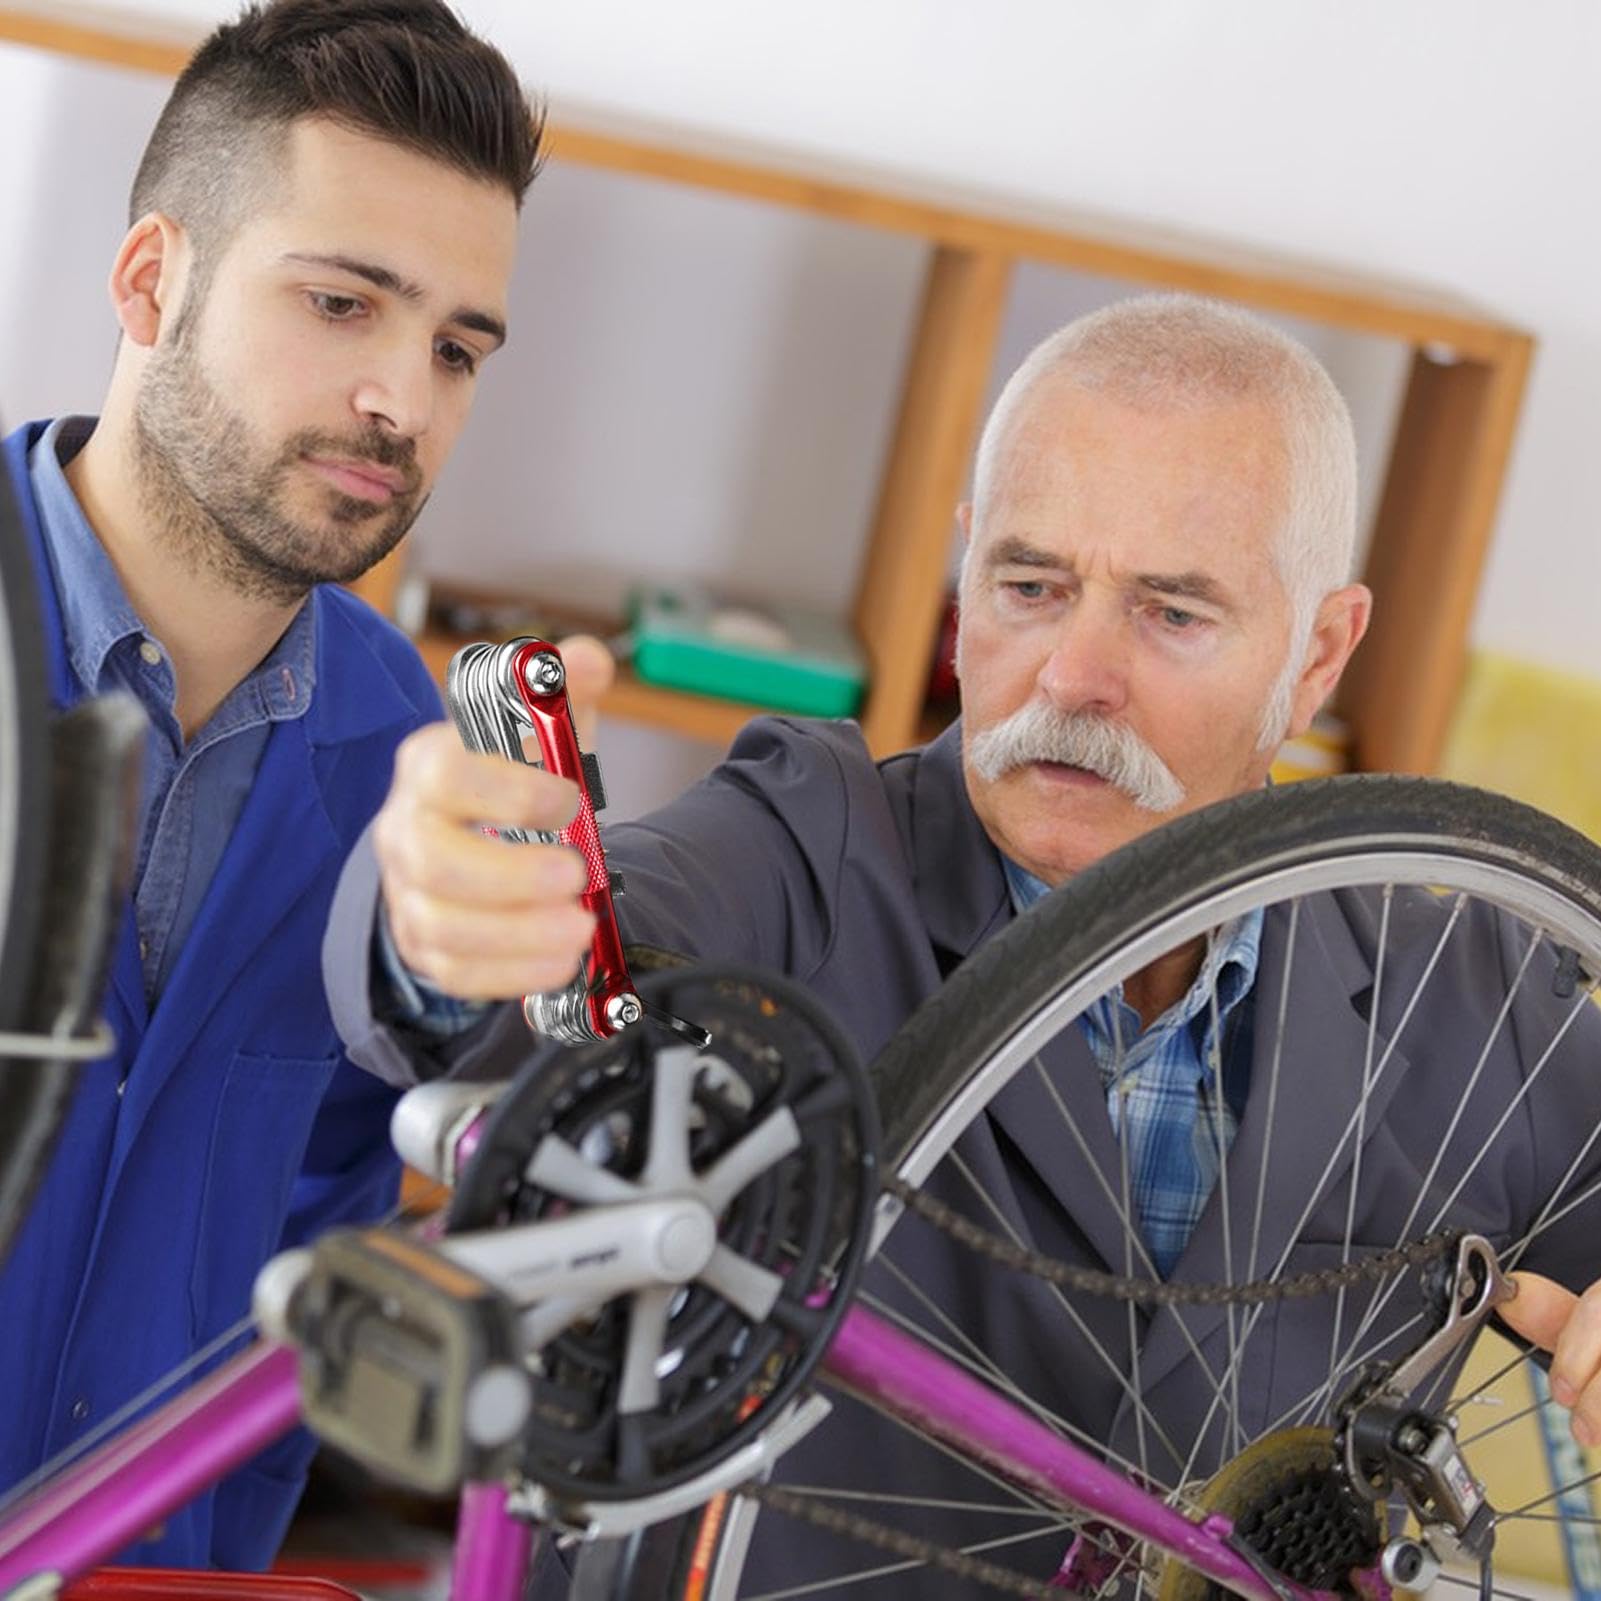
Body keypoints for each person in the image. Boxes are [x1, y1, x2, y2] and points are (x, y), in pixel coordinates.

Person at [339, 295, 1601, 1591]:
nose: (1069, 674)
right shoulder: (803, 843)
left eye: (1170, 612)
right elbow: (544, 981)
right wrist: (448, 912)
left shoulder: (1461, 984)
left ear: (1320, 649)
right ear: (961, 579)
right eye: (1027, 584)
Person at [0, 0, 603, 1570]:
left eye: (457, 346)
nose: (404, 400)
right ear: (151, 280)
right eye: (343, 303)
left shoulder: (410, 749)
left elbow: (331, 1201)